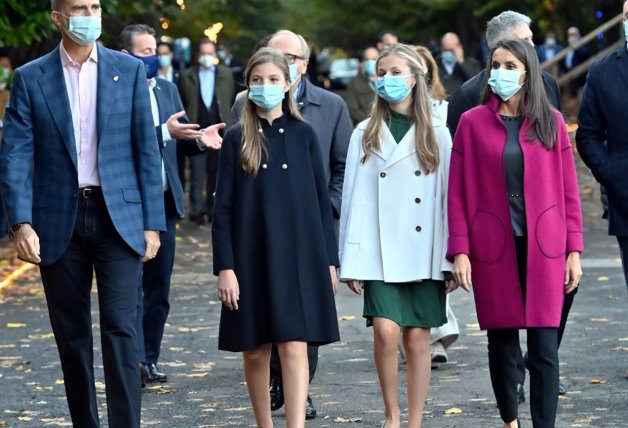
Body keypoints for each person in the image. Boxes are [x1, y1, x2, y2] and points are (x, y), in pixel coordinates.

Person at [0, 1, 166, 426]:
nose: (90, 13)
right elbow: (16, 154)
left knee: (122, 331)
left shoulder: (126, 70)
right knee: (72, 338)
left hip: (120, 219)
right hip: (58, 220)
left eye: (94, 5)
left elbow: (146, 149)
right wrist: (20, 223)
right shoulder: (30, 76)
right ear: (58, 17)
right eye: (80, 7)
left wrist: (152, 222)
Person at [448, 38, 583, 428]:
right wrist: (460, 250)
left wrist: (574, 249)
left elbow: (569, 191)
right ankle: (510, 420)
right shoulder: (472, 123)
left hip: (547, 246)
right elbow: (456, 192)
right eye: (496, 65)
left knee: (544, 347)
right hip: (493, 246)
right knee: (502, 343)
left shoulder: (551, 121)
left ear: (527, 71)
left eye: (510, 65)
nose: (501, 73)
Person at [212, 47, 340, 428]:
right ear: (247, 86)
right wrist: (225, 267)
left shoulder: (304, 135)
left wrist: (330, 261)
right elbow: (223, 210)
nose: (264, 87)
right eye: (256, 80)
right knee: (255, 349)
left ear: (288, 84)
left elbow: (321, 202)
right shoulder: (237, 138)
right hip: (250, 257)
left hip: (300, 257)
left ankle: (295, 424)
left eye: (272, 80)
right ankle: (264, 423)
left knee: (294, 343)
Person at [340, 43, 454, 428]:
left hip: (424, 251)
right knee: (386, 333)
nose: (386, 80)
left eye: (394, 72)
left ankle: (414, 420)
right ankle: (391, 413)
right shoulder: (364, 132)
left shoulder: (438, 132)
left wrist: (451, 258)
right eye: (381, 72)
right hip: (378, 251)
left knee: (418, 338)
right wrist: (350, 259)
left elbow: (447, 199)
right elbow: (354, 197)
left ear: (415, 78)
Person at [117, 24, 225, 387]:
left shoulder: (166, 88)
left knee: (158, 287)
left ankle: (150, 357)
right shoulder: (113, 92)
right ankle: (130, 363)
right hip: (127, 203)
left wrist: (200, 140)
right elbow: (122, 140)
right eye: (144, 51)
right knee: (129, 287)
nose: (153, 58)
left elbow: (179, 139)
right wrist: (165, 132)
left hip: (163, 202)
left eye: (155, 51)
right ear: (124, 55)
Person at [577, 0, 628, 298]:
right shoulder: (602, 72)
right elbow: (588, 134)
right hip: (625, 197)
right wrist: (612, 173)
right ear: (622, 19)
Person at [414, 45, 459, 366]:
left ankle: (436, 336)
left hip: (434, 203)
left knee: (433, 275)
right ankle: (423, 338)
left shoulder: (443, 110)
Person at [177, 39, 234, 225]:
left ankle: (213, 207)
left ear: (216, 55)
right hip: (197, 128)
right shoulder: (187, 75)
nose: (207, 57)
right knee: (196, 171)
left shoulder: (226, 74)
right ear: (197, 55)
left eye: (210, 53)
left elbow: (230, 98)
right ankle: (197, 210)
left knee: (216, 171)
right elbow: (183, 100)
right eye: (203, 53)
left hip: (220, 129)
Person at [437, 32, 482, 99]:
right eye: (445, 50)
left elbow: (478, 82)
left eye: (451, 50)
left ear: (460, 47)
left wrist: (461, 62)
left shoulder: (472, 63)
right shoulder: (436, 66)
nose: (448, 52)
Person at [344, 46, 378, 125]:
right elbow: (353, 110)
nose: (370, 62)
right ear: (362, 62)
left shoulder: (386, 81)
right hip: (366, 127)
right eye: (367, 59)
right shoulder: (354, 84)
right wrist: (371, 122)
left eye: (374, 59)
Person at [560, 27, 589, 97]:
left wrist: (575, 46)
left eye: (573, 34)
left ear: (578, 35)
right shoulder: (566, 48)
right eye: (569, 35)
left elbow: (584, 54)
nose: (571, 37)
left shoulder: (583, 44)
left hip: (581, 79)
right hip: (570, 79)